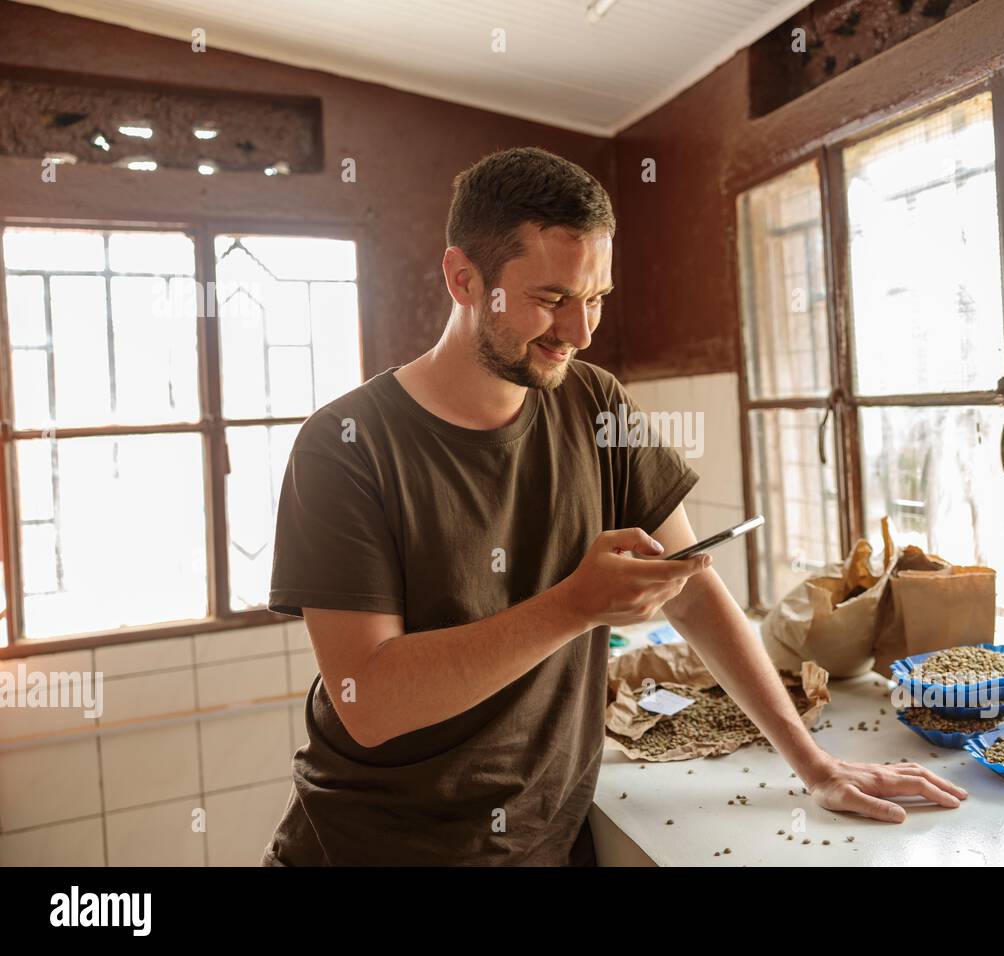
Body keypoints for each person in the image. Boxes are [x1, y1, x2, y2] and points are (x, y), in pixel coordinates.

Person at [260, 146, 966, 866]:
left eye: (596, 297)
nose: (582, 332)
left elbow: (690, 588)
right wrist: (574, 606)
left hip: (545, 842)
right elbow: (368, 701)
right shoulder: (345, 445)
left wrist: (813, 761)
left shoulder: (597, 401)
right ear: (463, 278)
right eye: (552, 299)